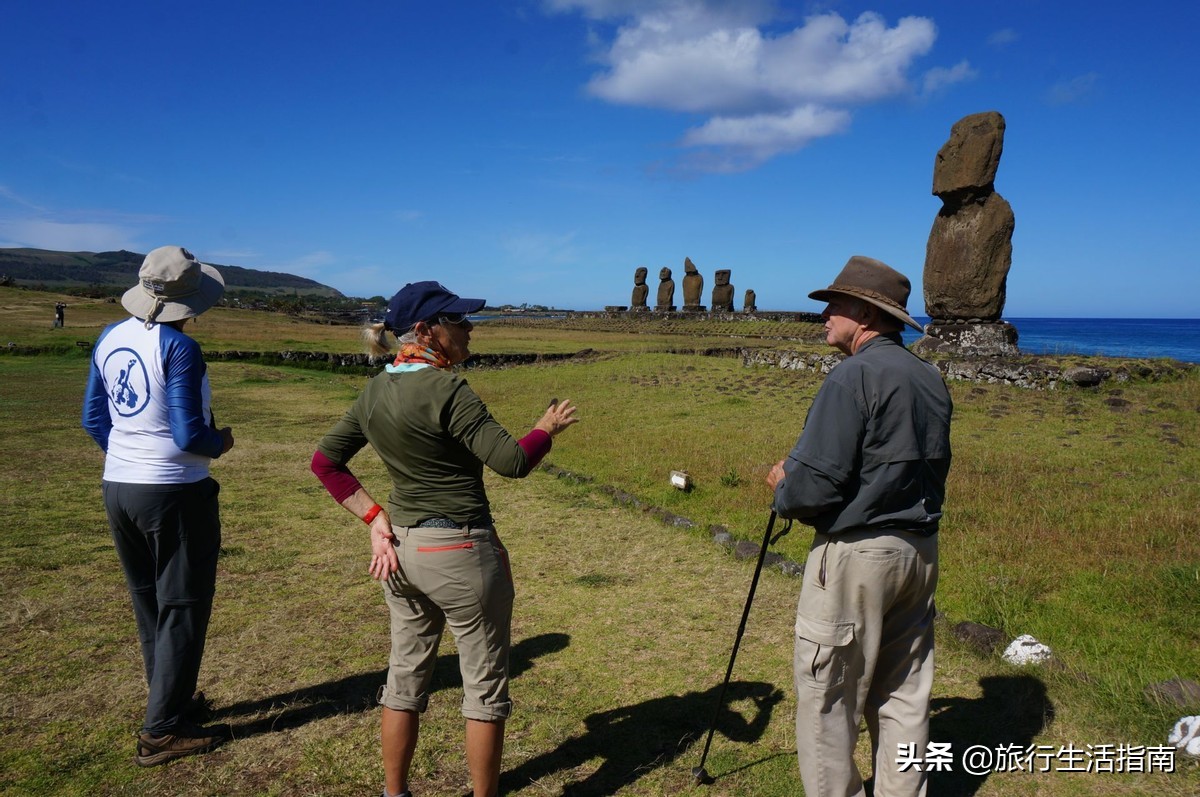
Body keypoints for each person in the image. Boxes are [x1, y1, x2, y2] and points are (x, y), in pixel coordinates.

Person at [311, 281, 578, 797]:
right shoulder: (449, 390)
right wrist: (545, 428)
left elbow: (326, 462)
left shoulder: (373, 391)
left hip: (403, 556)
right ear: (424, 330)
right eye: (458, 321)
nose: (470, 328)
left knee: (403, 682)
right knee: (484, 690)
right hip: (462, 554)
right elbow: (512, 461)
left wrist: (374, 518)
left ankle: (395, 792)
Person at [766, 256, 952, 797]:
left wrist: (782, 483)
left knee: (830, 697)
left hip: (856, 555)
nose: (824, 315)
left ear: (866, 314)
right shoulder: (929, 378)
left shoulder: (853, 375)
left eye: (835, 304)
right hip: (919, 551)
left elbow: (813, 488)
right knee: (905, 695)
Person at [82, 246, 235, 766]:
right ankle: (162, 730)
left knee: (149, 600)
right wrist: (223, 441)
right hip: (174, 489)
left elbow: (93, 419)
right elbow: (191, 433)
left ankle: (168, 698)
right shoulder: (181, 349)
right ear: (189, 300)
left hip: (118, 486)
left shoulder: (109, 336)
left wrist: (128, 457)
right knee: (184, 606)